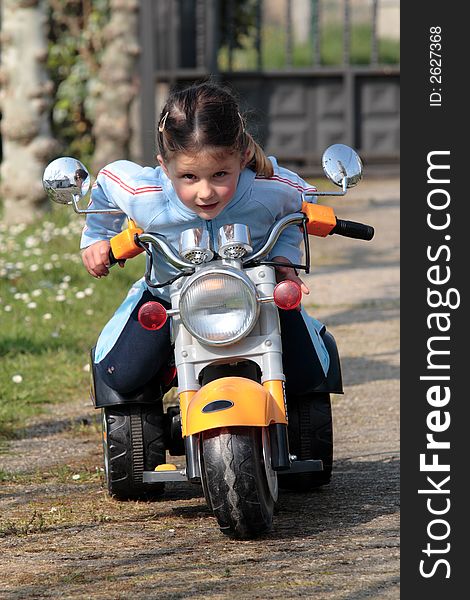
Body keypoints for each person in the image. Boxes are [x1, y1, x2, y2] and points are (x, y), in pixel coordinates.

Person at [80, 82, 331, 398]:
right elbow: (107, 179)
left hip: (256, 296)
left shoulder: (270, 189)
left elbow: (303, 204)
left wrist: (283, 257)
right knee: (122, 374)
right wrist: (97, 238)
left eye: (220, 175)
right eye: (189, 177)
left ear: (243, 156)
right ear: (164, 165)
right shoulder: (147, 195)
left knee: (307, 374)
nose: (205, 191)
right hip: (168, 298)